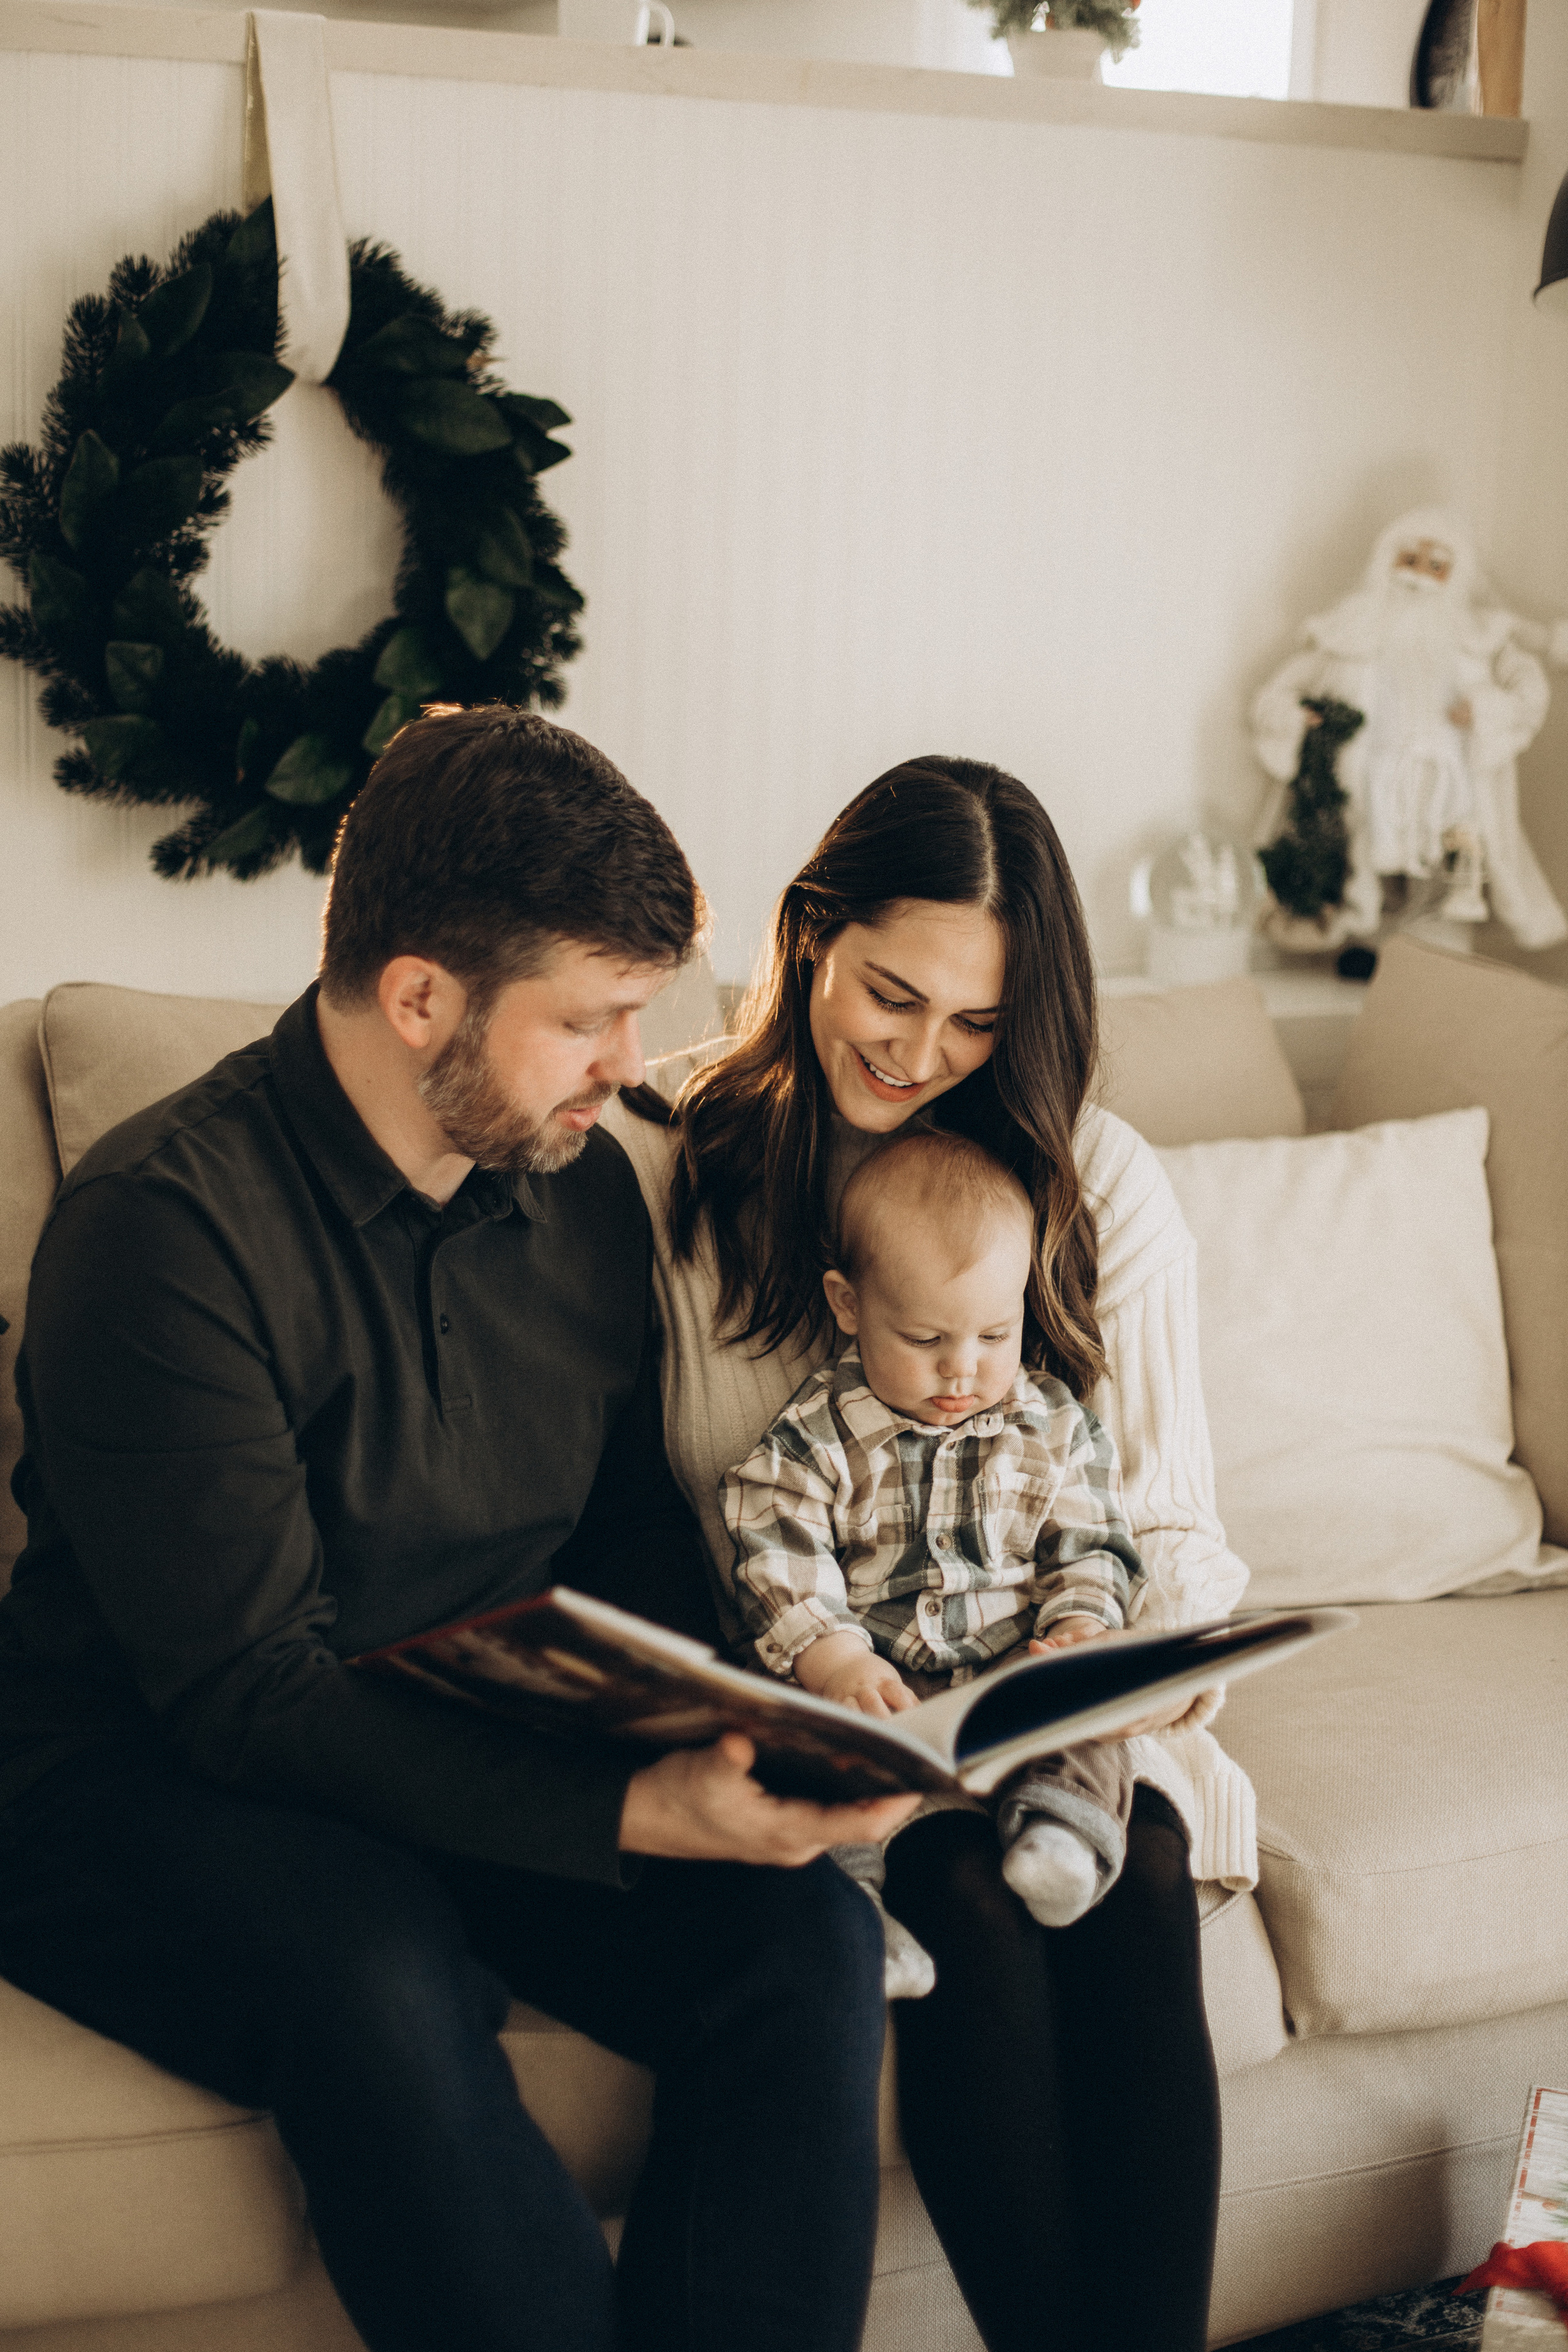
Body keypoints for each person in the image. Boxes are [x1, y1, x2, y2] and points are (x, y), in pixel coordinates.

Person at [0, 707, 918, 2352]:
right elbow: (250, 1698)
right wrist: (632, 1810)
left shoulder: (570, 1186)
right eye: (592, 1021)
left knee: (800, 1946)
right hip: (146, 1773)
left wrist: (748, 1727)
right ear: (420, 995)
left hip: (468, 1722)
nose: (630, 1068)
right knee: (380, 1975)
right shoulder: (161, 1231)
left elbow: (621, 1534)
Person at [606, 753, 1254, 2352]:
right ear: (810, 932)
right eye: (892, 993)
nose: (919, 1055)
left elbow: (1169, 1534)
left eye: (975, 1024)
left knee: (1134, 1869)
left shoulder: (1090, 1182)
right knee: (964, 1894)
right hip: (821, 1691)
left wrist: (1092, 1662)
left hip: (1058, 1689)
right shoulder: (655, 1159)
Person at [722, 1127, 1142, 1932]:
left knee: (1089, 1717)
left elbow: (1093, 1543)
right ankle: (856, 1913)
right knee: (798, 1740)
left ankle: (1058, 1832)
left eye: (994, 1336)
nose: (962, 1369)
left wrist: (1081, 1624)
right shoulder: (818, 1435)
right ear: (848, 1304)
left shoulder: (1053, 1424)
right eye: (924, 1339)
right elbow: (779, 1548)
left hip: (1013, 1676)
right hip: (877, 1684)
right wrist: (834, 1660)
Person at [1251, 505, 1566, 953]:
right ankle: (1369, 946)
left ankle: (1427, 954)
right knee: (1367, 862)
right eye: (1409, 561)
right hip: (1372, 773)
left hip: (1450, 778)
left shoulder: (1477, 635)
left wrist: (1485, 708)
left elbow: (1527, 688)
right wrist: (1292, 713)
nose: (1419, 577)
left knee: (1448, 871)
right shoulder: (1353, 631)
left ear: (1454, 574)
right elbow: (1280, 690)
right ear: (1388, 563)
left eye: (1436, 566)